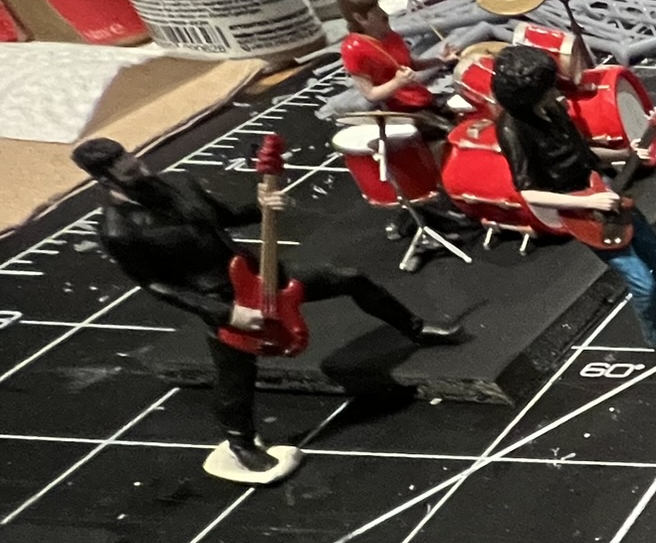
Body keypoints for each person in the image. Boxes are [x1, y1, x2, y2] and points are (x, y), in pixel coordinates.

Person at [69, 139, 464, 483]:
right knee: (236, 375)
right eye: (126, 168)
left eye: (132, 158)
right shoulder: (119, 230)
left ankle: (414, 328)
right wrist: (225, 314)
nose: (138, 166)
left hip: (257, 272)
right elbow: (157, 285)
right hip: (220, 299)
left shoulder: (178, 184)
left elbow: (225, 217)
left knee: (349, 278)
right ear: (104, 178)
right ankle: (240, 442)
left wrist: (263, 206)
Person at [491, 46, 656, 369]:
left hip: (605, 191)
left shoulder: (553, 108)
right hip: (583, 212)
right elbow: (530, 193)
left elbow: (584, 151)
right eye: (547, 88)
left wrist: (625, 153)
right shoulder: (512, 130)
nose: (555, 92)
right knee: (642, 282)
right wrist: (587, 201)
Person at [322, 0, 449, 129]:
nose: (384, 14)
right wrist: (397, 82)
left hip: (422, 98)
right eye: (376, 12)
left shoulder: (391, 36)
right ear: (360, 18)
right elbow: (370, 94)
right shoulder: (353, 49)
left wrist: (440, 60)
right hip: (402, 111)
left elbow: (411, 64)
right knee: (446, 130)